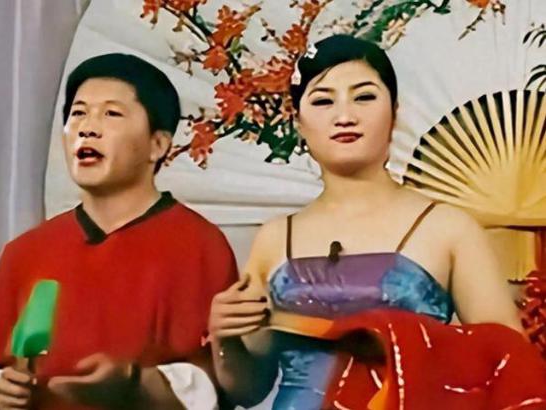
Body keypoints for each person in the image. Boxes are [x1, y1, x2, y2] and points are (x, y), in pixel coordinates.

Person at [207, 35, 543, 409]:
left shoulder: (448, 227)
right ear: (298, 122)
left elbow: (507, 364)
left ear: (395, 112)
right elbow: (248, 389)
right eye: (323, 101)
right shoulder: (274, 237)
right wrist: (225, 337)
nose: (345, 116)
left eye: (364, 97)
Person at [0, 53, 238, 410]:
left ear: (158, 145)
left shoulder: (199, 245)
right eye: (78, 113)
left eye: (112, 114)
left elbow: (223, 382)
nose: (87, 128)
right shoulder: (25, 252)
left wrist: (136, 385)